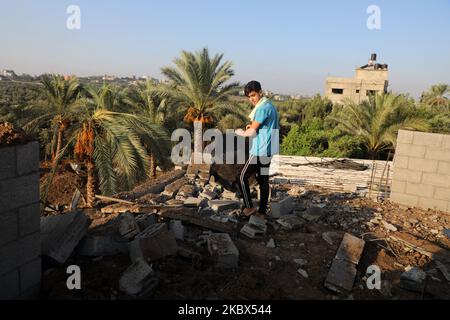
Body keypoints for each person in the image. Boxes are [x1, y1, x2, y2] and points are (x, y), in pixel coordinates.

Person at [235, 81, 279, 218]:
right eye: (249, 96)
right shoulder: (270, 105)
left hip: (260, 151)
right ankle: (261, 212)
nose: (251, 99)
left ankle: (249, 207)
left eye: (253, 95)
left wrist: (240, 132)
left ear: (260, 92)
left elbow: (251, 133)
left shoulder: (262, 108)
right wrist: (252, 127)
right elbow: (261, 126)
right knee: (263, 180)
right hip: (269, 150)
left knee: (241, 177)